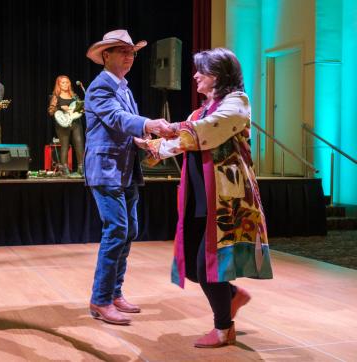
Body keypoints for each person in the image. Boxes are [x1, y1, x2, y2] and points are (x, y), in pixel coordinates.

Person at [141, 48, 273, 347]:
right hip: (200, 198)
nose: (195, 75)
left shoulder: (236, 103)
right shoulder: (198, 112)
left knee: (207, 265)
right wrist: (152, 146)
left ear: (220, 75)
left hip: (226, 199)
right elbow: (182, 142)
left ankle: (223, 328)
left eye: (202, 70)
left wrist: (171, 129)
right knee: (197, 265)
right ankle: (232, 296)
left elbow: (205, 133)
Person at [84, 29, 175, 325]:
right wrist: (148, 124)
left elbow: (122, 128)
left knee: (129, 229)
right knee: (117, 229)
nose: (128, 57)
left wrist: (142, 140)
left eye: (131, 52)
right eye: (122, 52)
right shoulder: (100, 87)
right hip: (106, 169)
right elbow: (116, 118)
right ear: (105, 56)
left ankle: (114, 292)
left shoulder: (124, 86)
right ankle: (100, 299)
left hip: (125, 169)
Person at [47, 75, 84, 176]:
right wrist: (60, 108)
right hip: (62, 124)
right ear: (58, 84)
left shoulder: (74, 96)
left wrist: (82, 108)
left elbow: (80, 107)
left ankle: (81, 168)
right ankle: (64, 168)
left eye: (67, 82)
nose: (65, 84)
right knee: (65, 146)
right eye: (63, 82)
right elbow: (50, 112)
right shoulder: (55, 97)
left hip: (76, 123)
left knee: (79, 145)